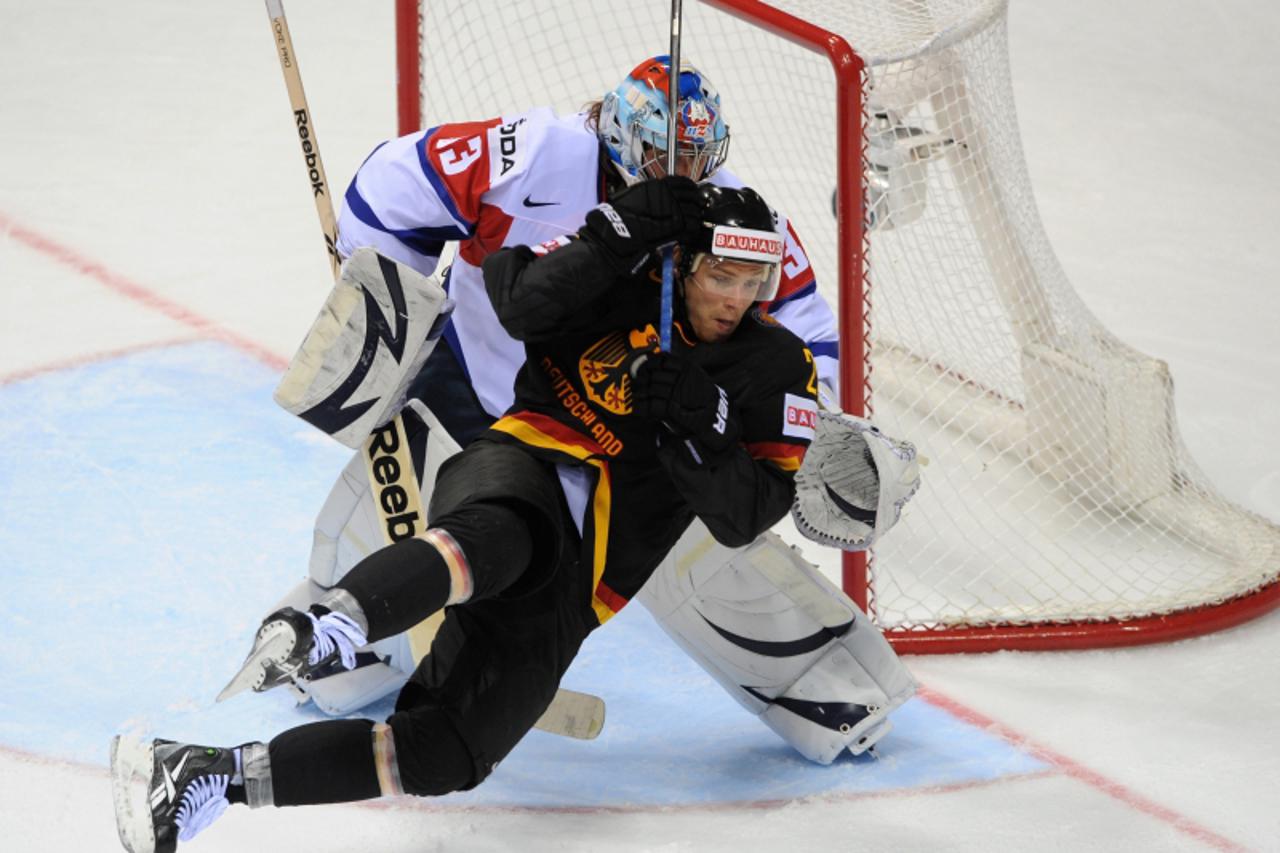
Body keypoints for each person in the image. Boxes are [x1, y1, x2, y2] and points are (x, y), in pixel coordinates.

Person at [110, 180, 820, 853]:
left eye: (750, 283)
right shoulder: (620, 276)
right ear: (680, 262)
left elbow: (748, 514)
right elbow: (515, 298)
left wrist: (704, 431)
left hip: (585, 583)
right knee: (506, 535)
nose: (734, 298)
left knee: (444, 754)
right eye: (718, 276)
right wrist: (610, 237)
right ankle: (336, 622)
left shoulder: (778, 367)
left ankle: (201, 773)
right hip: (520, 464)